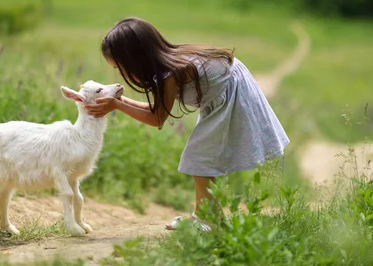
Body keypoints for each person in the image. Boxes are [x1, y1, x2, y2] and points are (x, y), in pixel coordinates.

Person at [85, 17, 290, 230]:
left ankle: (206, 220)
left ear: (135, 59)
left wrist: (117, 106)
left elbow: (157, 119)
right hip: (221, 93)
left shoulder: (170, 73)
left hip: (231, 93)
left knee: (199, 155)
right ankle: (210, 215)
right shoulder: (167, 66)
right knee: (203, 156)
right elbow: (157, 109)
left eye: (120, 67)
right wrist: (119, 101)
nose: (120, 73)